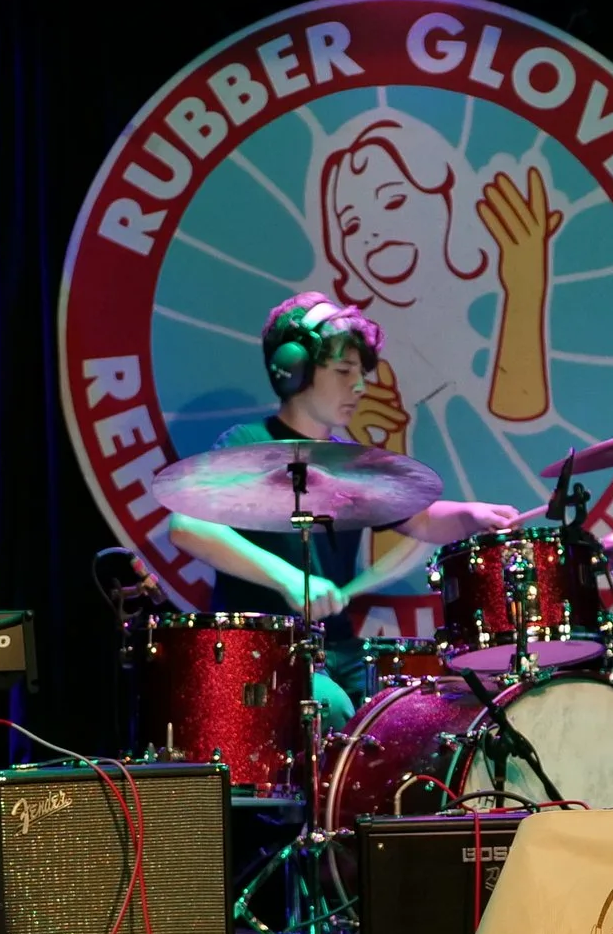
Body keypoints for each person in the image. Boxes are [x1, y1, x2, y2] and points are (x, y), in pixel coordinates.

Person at [165, 293, 522, 721]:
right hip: (264, 655)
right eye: (343, 371)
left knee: (417, 718)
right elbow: (186, 525)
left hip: (340, 651)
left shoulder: (353, 464)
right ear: (294, 372)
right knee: (329, 707)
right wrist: (290, 580)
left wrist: (471, 516)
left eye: (361, 373)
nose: (359, 385)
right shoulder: (246, 445)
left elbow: (423, 520)